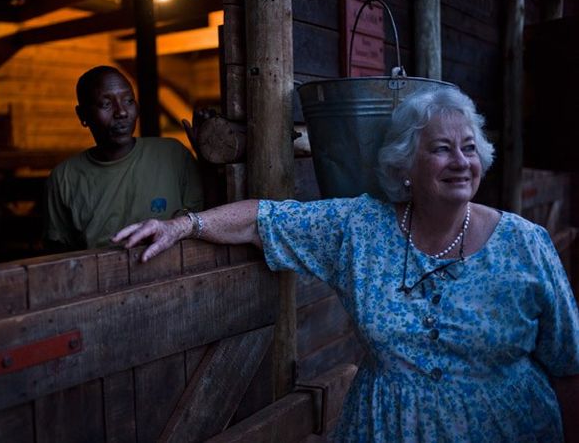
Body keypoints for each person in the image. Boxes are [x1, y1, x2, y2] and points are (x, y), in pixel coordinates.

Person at [112, 86, 579, 442]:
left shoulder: (525, 243)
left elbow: (568, 362)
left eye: (469, 147)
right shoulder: (360, 227)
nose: (460, 161)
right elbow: (264, 219)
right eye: (440, 148)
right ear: (404, 166)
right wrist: (184, 225)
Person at [44, 66, 203, 251]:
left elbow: (204, 220)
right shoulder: (64, 178)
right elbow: (59, 254)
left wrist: (206, 158)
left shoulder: (173, 154)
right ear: (82, 115)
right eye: (106, 104)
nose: (121, 112)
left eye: (128, 100)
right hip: (102, 278)